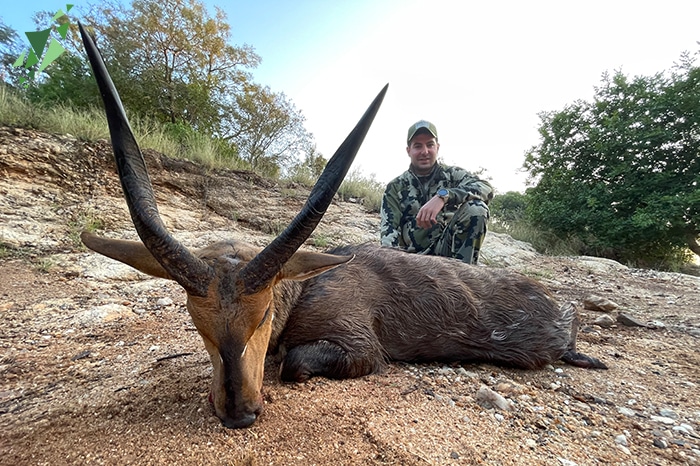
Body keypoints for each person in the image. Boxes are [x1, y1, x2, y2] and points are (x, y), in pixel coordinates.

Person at [380, 120, 493, 264]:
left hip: (449, 256)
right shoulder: (395, 187)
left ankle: (465, 275)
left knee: (477, 209)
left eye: (430, 145)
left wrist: (444, 196)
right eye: (418, 146)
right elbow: (389, 233)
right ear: (408, 150)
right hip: (412, 263)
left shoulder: (453, 175)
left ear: (437, 147)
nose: (425, 152)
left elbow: (485, 188)